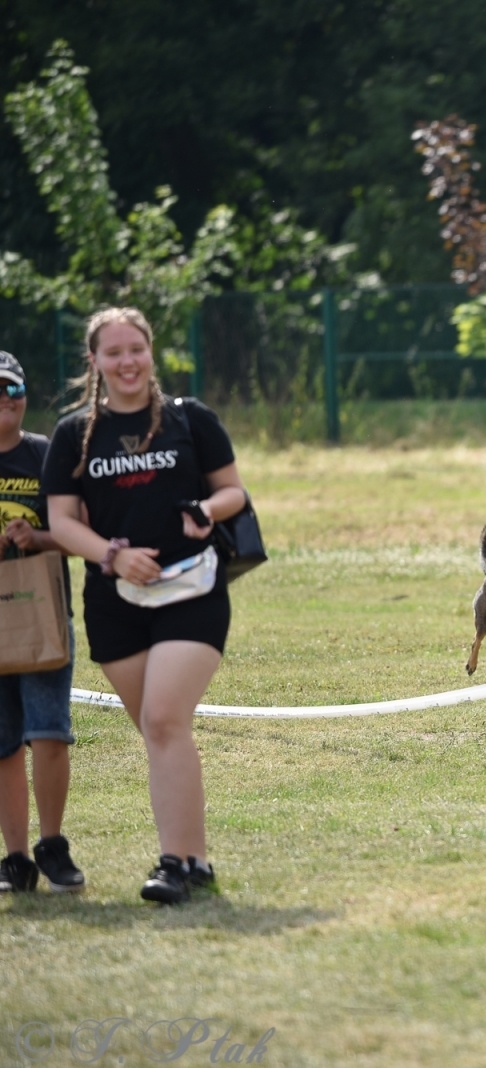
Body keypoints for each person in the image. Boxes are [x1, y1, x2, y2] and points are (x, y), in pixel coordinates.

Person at [42, 308, 250, 905]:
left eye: (136, 348)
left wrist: (206, 510)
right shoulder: (73, 433)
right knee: (162, 732)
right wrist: (113, 555)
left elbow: (233, 492)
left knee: (162, 720)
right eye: (113, 352)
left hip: (193, 590)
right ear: (95, 361)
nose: (127, 361)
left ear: (150, 352)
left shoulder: (191, 418)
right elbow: (61, 521)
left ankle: (173, 865)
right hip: (114, 603)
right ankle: (198, 862)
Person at [0, 351, 85, 894]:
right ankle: (14, 860)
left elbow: (80, 531)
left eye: (12, 388)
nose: (5, 399)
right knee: (3, 744)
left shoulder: (45, 454)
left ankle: (52, 847)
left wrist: (38, 537)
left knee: (49, 732)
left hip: (44, 618)